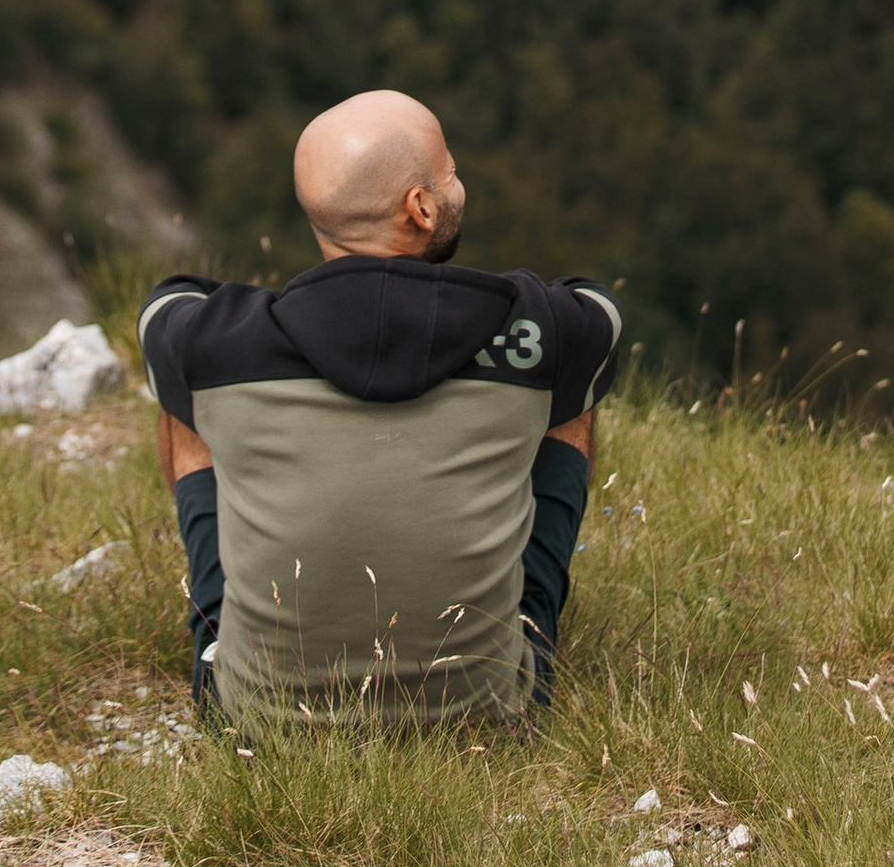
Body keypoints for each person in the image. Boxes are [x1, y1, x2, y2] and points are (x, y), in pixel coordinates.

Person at [140, 89, 620, 718]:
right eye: (449, 171)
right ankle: (528, 625)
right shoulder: (543, 328)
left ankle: (219, 621)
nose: (459, 185)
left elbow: (164, 310)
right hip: (490, 712)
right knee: (570, 400)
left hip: (258, 717)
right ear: (420, 208)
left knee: (187, 403)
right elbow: (600, 313)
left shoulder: (215, 342)